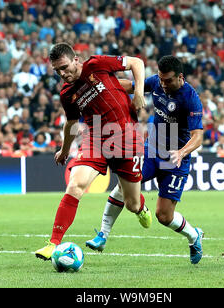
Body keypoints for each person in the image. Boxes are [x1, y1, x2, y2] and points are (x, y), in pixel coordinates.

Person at [34, 43, 151, 261]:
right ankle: (53, 243)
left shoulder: (97, 64)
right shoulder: (67, 93)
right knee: (75, 185)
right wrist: (64, 150)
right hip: (96, 141)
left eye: (65, 67)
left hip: (127, 138)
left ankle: (141, 208)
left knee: (132, 204)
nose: (62, 73)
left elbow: (137, 62)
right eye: (57, 70)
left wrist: (138, 93)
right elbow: (71, 123)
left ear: (76, 59)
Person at [86, 56, 205, 264]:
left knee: (164, 216)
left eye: (168, 81)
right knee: (124, 185)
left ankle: (194, 236)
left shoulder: (190, 98)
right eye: (161, 79)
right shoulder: (156, 82)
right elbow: (131, 86)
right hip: (152, 149)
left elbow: (198, 136)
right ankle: (102, 235)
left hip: (176, 160)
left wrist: (182, 152)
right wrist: (104, 84)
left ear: (180, 77)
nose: (163, 84)